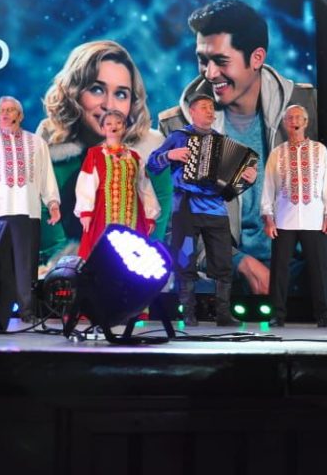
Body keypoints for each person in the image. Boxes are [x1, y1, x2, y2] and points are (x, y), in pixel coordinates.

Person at [158, 0, 318, 295]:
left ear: (256, 58)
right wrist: (238, 262)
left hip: (303, 278)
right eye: (202, 60)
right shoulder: (176, 126)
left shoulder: (310, 107)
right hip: (222, 281)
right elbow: (174, 225)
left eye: (220, 61)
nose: (209, 73)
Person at [37, 40, 170, 264]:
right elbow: (52, 248)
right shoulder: (47, 152)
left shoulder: (150, 154)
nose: (109, 105)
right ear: (74, 92)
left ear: (132, 102)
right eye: (97, 89)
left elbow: (154, 236)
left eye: (121, 94)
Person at [148, 92, 257, 327]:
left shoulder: (221, 140)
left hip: (216, 210)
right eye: (204, 107)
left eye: (211, 107)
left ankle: (223, 314)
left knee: (223, 262)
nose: (210, 111)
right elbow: (152, 164)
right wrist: (170, 154)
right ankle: (188, 313)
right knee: (184, 259)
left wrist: (248, 178)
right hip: (186, 208)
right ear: (192, 112)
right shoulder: (179, 137)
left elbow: (231, 189)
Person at [0, 96, 60, 322]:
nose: (5, 114)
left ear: (20, 115)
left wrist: (53, 203)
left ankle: (26, 312)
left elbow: (46, 178)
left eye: (10, 110)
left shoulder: (36, 143)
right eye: (2, 111)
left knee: (26, 265)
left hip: (26, 211)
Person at [261, 104, 327, 328]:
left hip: (314, 218)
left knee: (319, 269)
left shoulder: (319, 150)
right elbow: (268, 187)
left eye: (298, 118)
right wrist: (268, 217)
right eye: (289, 118)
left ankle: (324, 315)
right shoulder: (277, 153)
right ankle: (277, 314)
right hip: (284, 218)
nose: (294, 121)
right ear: (284, 123)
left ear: (305, 122)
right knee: (279, 269)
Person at [74, 110, 160, 259]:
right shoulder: (95, 154)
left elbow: (144, 186)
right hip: (102, 212)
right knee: (102, 254)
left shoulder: (134, 156)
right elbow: (86, 183)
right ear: (102, 128)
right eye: (108, 124)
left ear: (124, 127)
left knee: (132, 257)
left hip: (132, 212)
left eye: (118, 123)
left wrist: (150, 215)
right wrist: (86, 212)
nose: (113, 126)